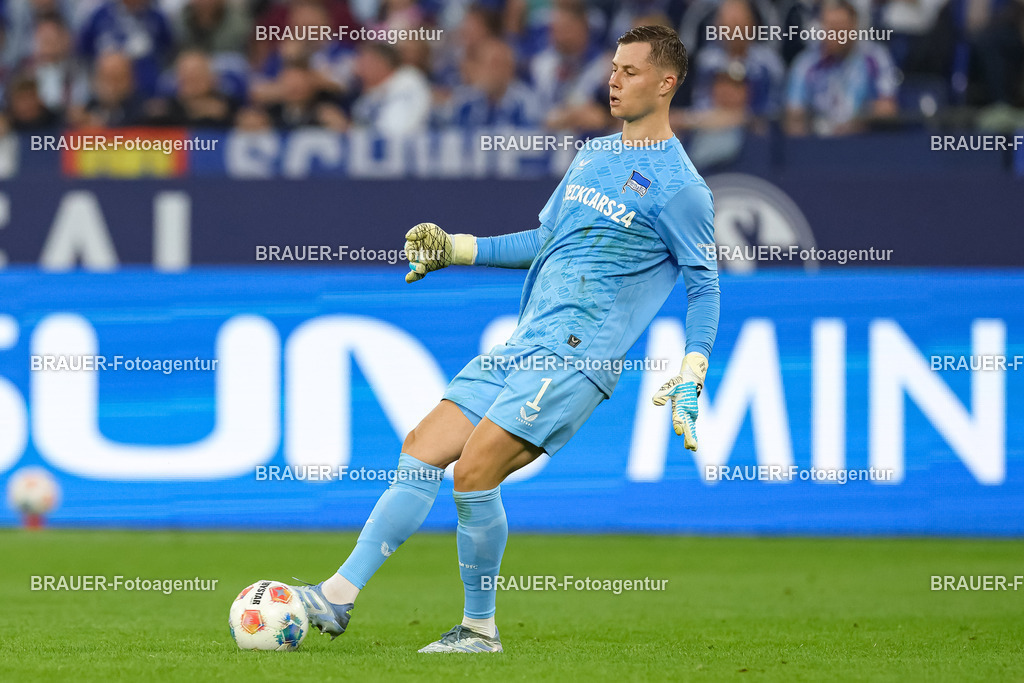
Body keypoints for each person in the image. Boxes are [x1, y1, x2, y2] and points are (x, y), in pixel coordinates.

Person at [290, 24, 721, 654]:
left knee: (474, 470)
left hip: (580, 355)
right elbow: (541, 243)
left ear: (666, 83)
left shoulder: (683, 190)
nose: (615, 79)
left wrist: (692, 372)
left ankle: (478, 628)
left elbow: (705, 287)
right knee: (422, 446)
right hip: (526, 341)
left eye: (631, 71)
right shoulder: (594, 157)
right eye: (614, 68)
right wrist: (455, 249)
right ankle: (337, 595)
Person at [784, 0, 899, 136]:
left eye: (840, 28)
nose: (835, 35)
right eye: (830, 27)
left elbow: (887, 109)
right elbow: (793, 114)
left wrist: (857, 122)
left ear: (854, 27)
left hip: (863, 143)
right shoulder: (806, 64)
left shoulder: (875, 58)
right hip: (816, 144)